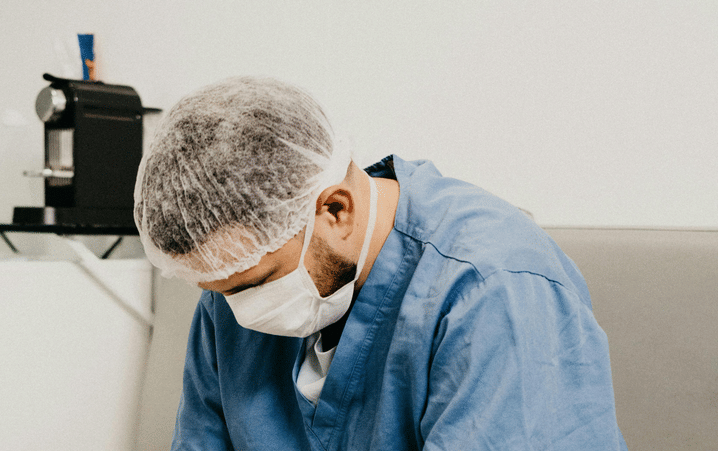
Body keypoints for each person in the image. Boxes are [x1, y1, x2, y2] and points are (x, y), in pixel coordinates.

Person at [134, 76, 627, 450]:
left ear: (335, 210)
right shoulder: (238, 278)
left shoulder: (492, 287)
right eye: (221, 291)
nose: (242, 313)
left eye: (258, 284)